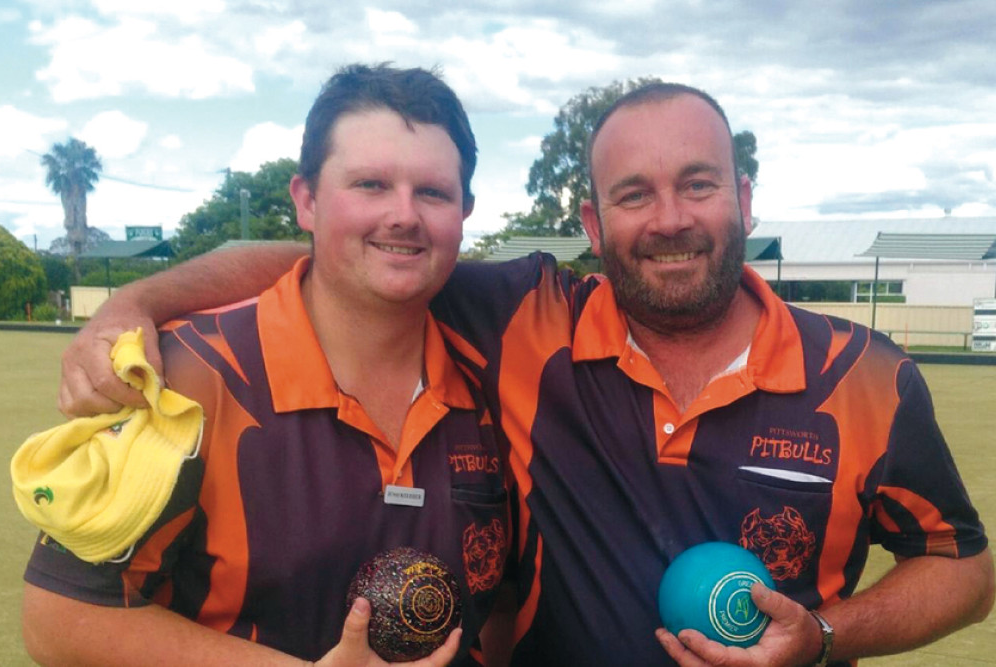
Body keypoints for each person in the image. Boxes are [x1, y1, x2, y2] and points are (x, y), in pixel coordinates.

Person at [57, 81, 994, 666]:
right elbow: (348, 257)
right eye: (633, 194)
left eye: (698, 183)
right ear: (593, 224)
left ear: (743, 197)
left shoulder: (866, 375)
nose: (668, 217)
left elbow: (963, 565)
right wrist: (137, 301)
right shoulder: (525, 319)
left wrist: (829, 636)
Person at [23, 64, 512, 667]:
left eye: (432, 192)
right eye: (370, 185)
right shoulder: (188, 375)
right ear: (306, 201)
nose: (404, 215)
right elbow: (59, 617)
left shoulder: (500, 370)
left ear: (465, 210)